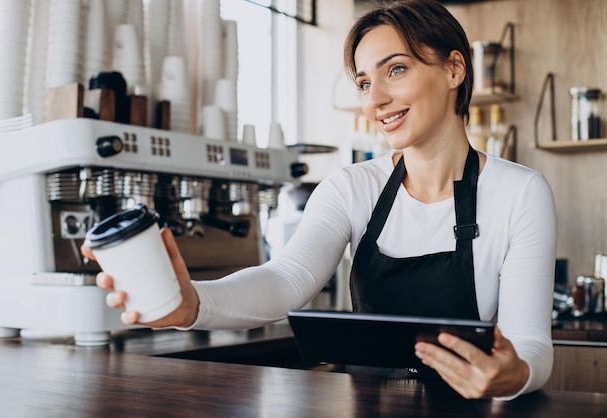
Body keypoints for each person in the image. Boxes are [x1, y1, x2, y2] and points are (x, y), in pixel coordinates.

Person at [82, 0, 556, 400]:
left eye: (396, 69)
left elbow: (531, 344)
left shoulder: (519, 193)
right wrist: (193, 305)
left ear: (454, 68)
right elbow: (287, 279)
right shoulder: (351, 187)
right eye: (366, 83)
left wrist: (513, 375)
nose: (377, 99)